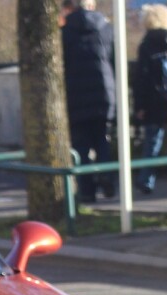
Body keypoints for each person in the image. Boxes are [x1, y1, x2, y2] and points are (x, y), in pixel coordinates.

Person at [62, 0, 116, 204]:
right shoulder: (106, 29)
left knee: (81, 146)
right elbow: (114, 61)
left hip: (75, 95)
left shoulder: (65, 32)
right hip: (104, 93)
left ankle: (87, 191)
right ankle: (106, 175)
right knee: (102, 140)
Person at [134, 4, 167, 194]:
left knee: (152, 142)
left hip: (153, 101)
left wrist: (139, 105)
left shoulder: (146, 45)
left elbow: (141, 78)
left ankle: (146, 179)